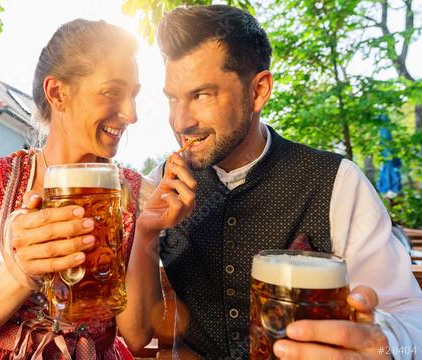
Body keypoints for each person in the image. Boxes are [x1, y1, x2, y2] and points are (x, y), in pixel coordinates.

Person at [125, 5, 422, 360]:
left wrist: (382, 343)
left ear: (259, 90)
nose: (180, 120)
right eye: (174, 98)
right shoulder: (162, 182)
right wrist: (145, 233)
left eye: (202, 95)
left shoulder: (337, 182)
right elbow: (137, 335)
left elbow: (409, 315)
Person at [0, 19, 196, 359]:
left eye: (133, 95)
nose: (132, 114)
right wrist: (20, 272)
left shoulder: (138, 194)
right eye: (112, 92)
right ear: (58, 93)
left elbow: (136, 337)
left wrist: (147, 232)